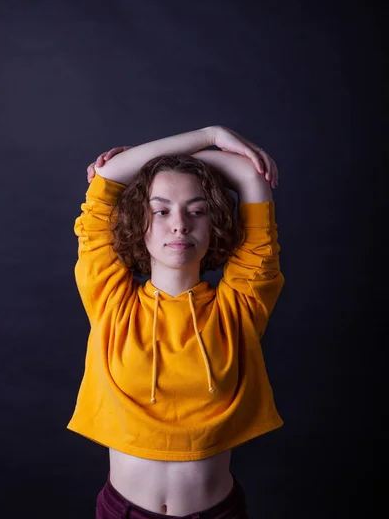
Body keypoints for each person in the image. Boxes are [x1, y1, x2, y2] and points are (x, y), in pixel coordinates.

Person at [67, 125, 284, 519]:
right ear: (139, 224)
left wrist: (156, 166)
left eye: (196, 211)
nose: (179, 224)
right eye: (161, 210)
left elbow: (251, 176)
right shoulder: (110, 302)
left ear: (213, 222)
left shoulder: (240, 306)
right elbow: (108, 175)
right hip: (122, 512)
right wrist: (210, 134)